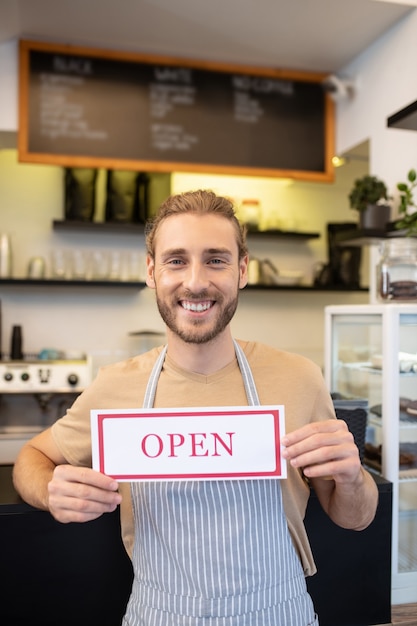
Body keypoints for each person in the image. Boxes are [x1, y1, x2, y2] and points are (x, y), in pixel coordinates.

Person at [13, 189, 378, 626]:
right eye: (176, 260)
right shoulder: (116, 386)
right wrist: (49, 491)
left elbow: (355, 518)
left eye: (216, 259)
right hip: (159, 614)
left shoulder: (300, 377)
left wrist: (353, 477)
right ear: (151, 271)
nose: (196, 281)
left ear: (242, 270)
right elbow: (30, 458)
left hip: (278, 612)